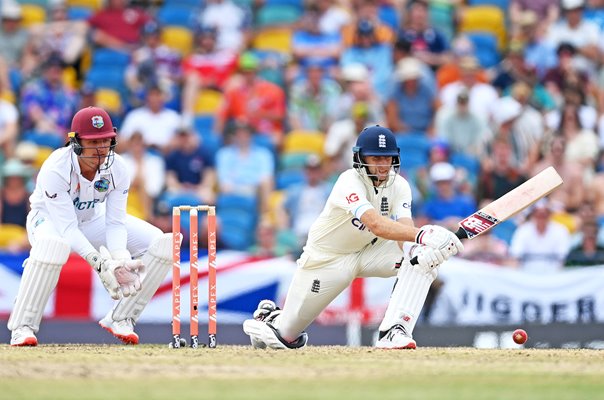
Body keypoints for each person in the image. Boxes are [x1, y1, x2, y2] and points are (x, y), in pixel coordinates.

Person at [242, 125, 464, 350]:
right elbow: (376, 224)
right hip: (328, 258)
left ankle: (394, 331)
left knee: (422, 258)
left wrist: (422, 245)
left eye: (387, 158)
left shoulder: (400, 185)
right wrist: (424, 234)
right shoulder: (348, 181)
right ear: (360, 158)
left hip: (370, 252)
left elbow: (403, 232)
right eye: (375, 158)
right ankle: (268, 317)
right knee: (287, 337)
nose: (382, 165)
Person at [7, 106, 177, 347]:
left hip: (92, 219)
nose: (101, 149)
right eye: (93, 142)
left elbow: (115, 221)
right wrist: (101, 264)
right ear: (76, 143)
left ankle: (121, 317)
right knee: (52, 247)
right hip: (49, 221)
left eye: (106, 141)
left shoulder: (117, 167)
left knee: (161, 243)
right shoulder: (56, 167)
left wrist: (119, 258)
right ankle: (22, 327)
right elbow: (67, 229)